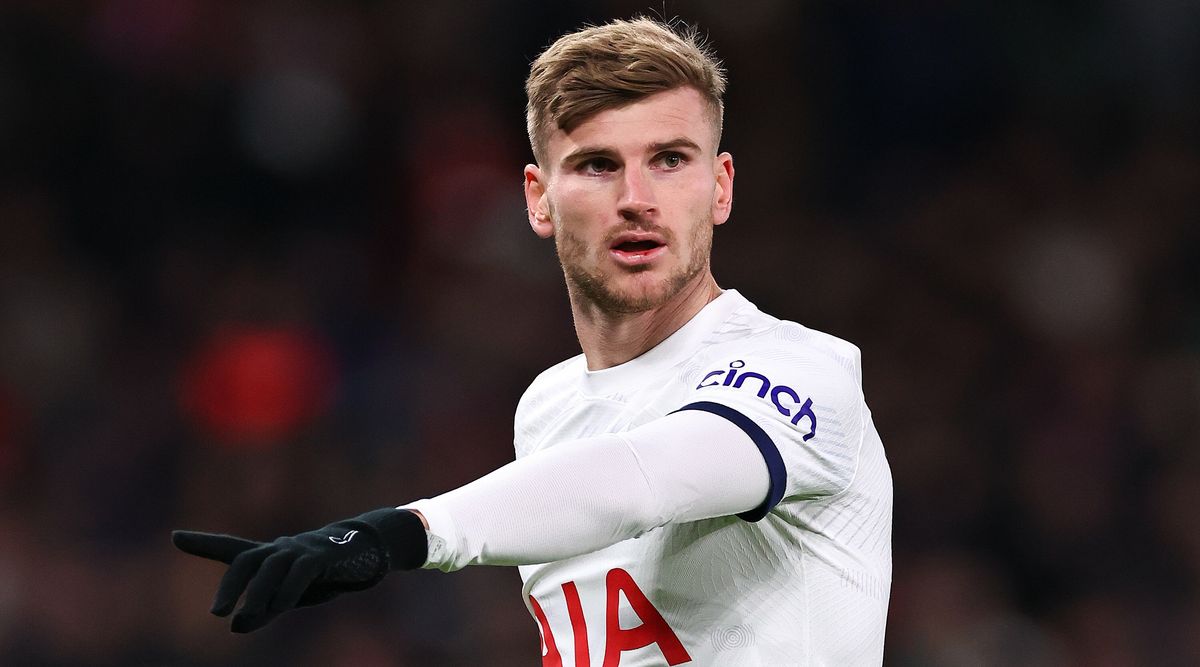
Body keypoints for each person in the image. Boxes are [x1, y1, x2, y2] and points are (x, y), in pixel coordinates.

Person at [174, 17, 892, 665]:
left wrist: (397, 531)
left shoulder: (805, 370)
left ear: (721, 185)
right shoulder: (547, 410)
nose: (636, 197)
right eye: (597, 164)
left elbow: (643, 479)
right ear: (537, 199)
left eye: (671, 159)